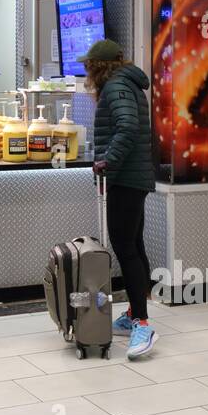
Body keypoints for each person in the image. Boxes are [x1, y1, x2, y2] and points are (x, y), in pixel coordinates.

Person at [80, 39, 157, 360]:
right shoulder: (126, 84)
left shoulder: (115, 87)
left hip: (126, 178)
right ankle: (134, 312)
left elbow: (126, 127)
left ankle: (142, 323)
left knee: (126, 248)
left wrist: (107, 161)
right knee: (133, 246)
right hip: (130, 177)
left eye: (88, 67)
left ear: (98, 67)